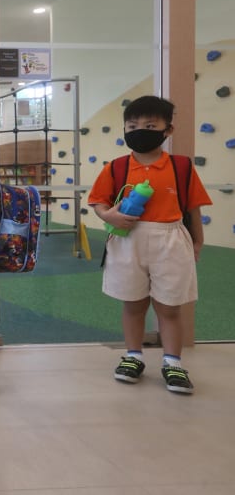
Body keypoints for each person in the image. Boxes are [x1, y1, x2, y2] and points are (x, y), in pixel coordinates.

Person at [89, 95, 211, 394]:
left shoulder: (181, 167)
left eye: (150, 125)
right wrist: (110, 216)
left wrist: (197, 241)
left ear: (167, 130)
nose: (139, 130)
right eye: (132, 126)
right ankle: (133, 356)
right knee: (133, 304)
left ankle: (173, 362)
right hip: (127, 240)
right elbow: (99, 202)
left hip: (170, 238)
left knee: (169, 307)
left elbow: (193, 208)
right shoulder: (116, 168)